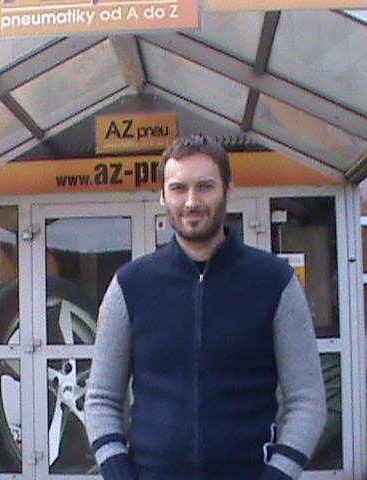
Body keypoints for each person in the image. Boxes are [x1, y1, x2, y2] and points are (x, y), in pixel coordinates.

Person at [85, 134, 327, 480]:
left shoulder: (275, 282)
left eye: (205, 187)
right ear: (162, 195)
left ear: (229, 190)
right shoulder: (130, 285)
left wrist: (279, 473)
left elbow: (307, 400)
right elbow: (101, 399)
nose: (191, 202)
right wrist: (118, 471)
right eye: (178, 188)